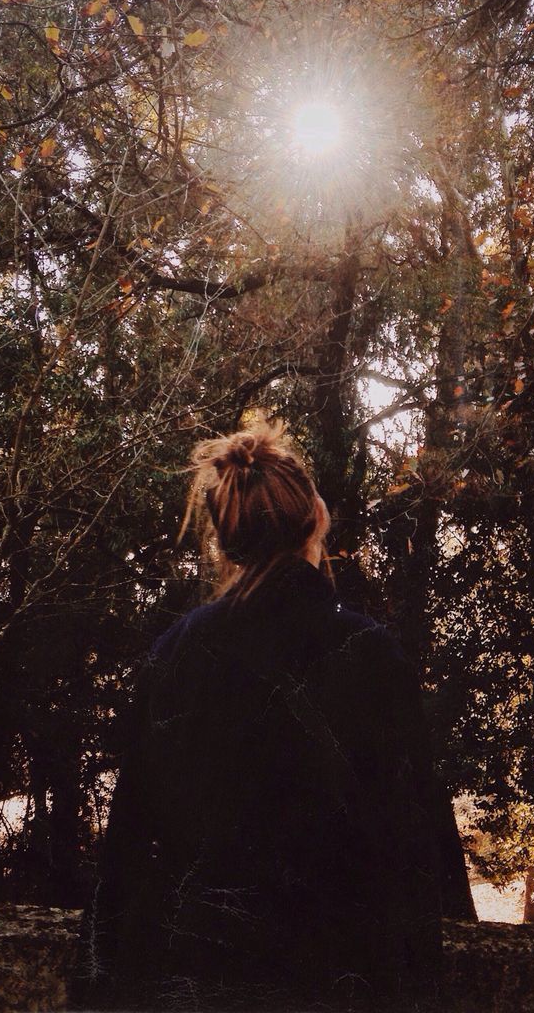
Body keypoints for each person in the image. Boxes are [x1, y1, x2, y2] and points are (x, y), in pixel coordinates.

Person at [80, 418, 445, 1010]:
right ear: (317, 520)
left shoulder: (175, 653)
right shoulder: (372, 656)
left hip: (195, 984)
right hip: (336, 985)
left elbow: (126, 850)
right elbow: (416, 863)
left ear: (225, 542)